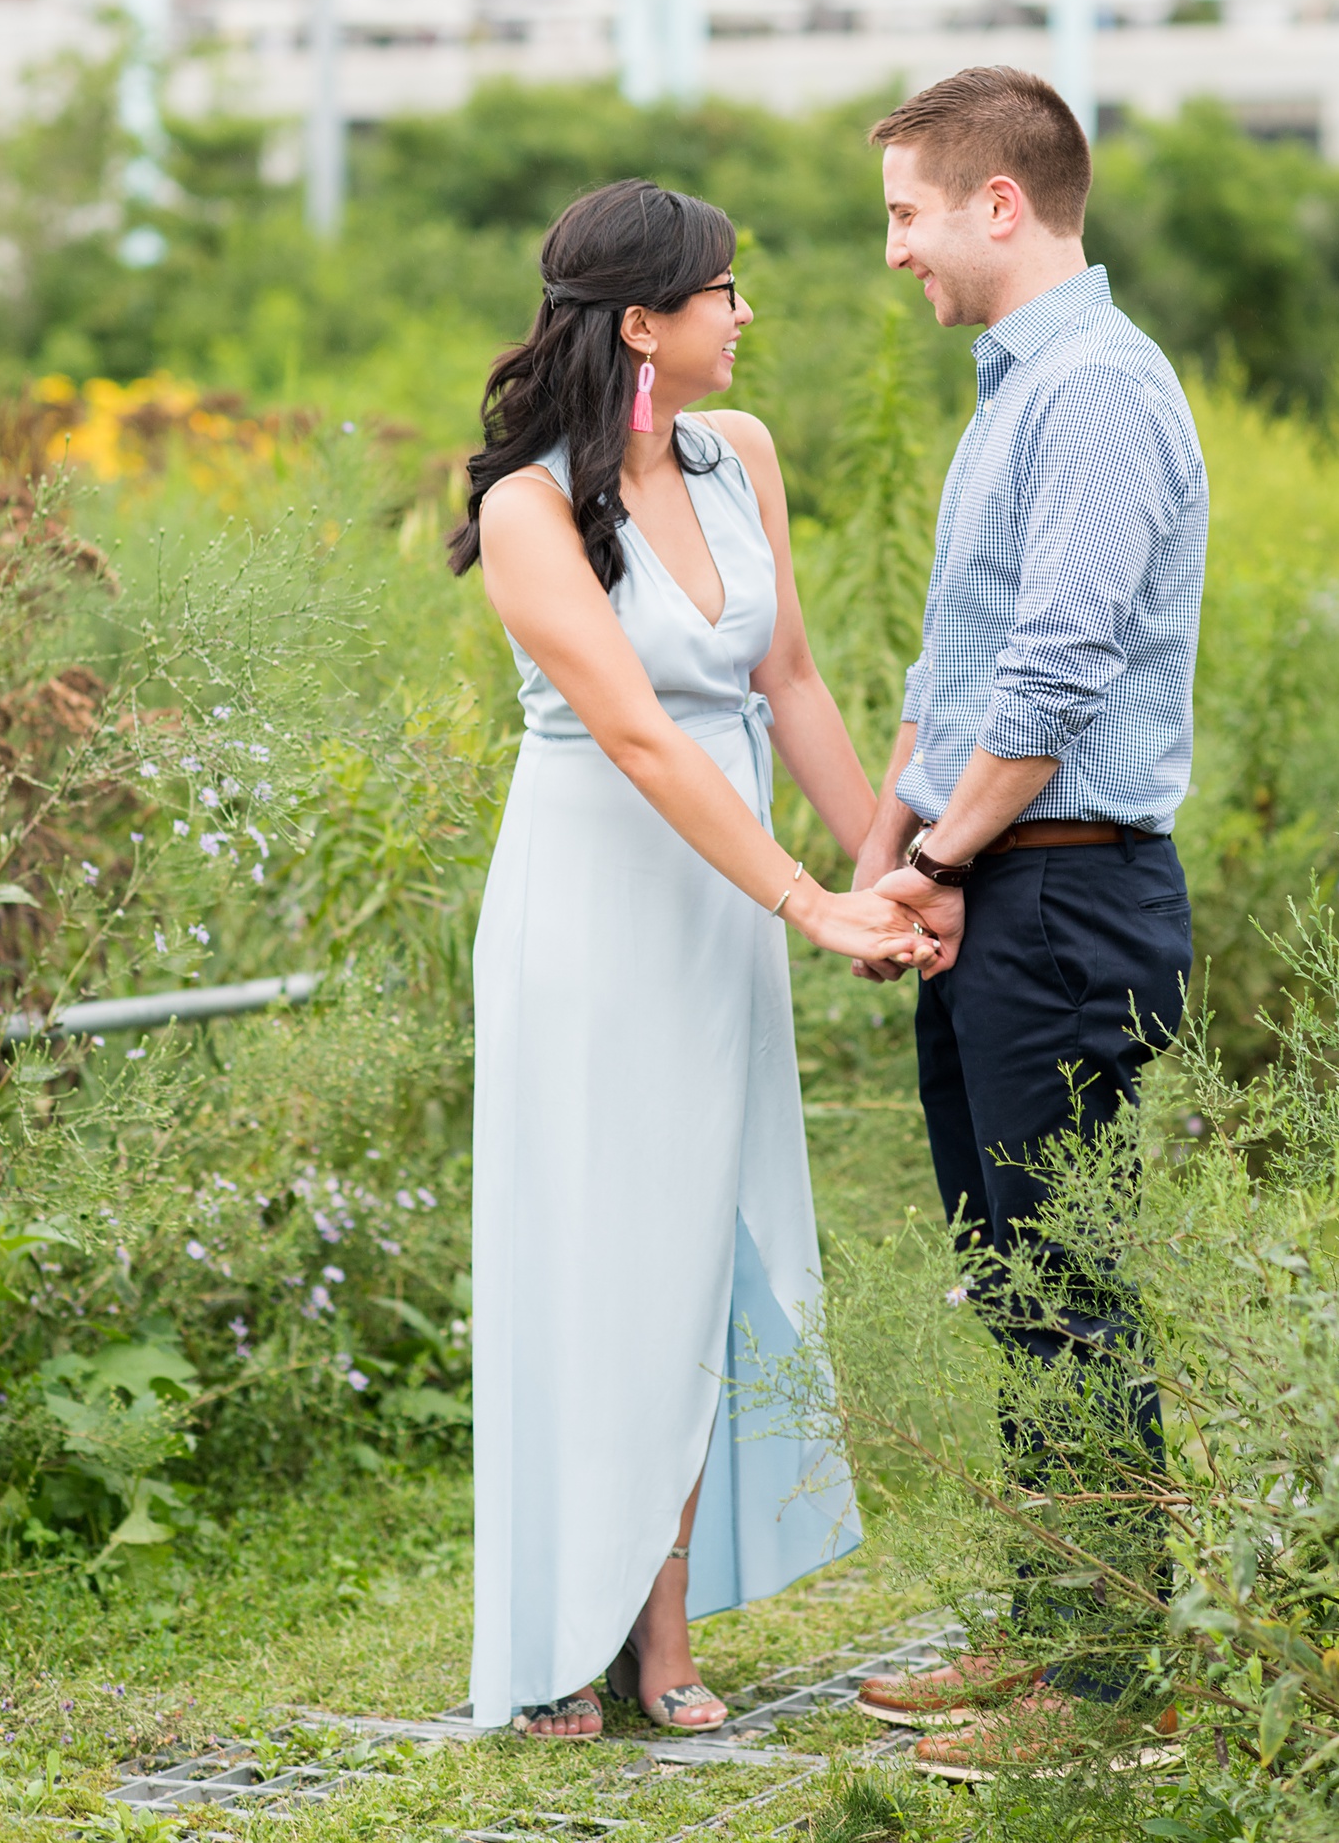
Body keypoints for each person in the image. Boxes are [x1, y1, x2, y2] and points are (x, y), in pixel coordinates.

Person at [449, 177, 940, 1742]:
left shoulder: (747, 459)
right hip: (596, 907)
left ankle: (658, 1635)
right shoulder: (531, 507)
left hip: (727, 908)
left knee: (696, 1252)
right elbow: (648, 740)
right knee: (592, 1253)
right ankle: (556, 1633)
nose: (746, 313)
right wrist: (809, 900)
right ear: (644, 323)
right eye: (722, 291)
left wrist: (896, 873)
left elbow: (787, 679)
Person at [845, 67, 1208, 1769]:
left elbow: (1057, 668)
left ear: (1003, 203)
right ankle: (1057, 1621)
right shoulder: (1020, 392)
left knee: (1073, 1282)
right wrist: (900, 851)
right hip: (1005, 876)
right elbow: (958, 664)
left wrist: (941, 858)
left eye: (910, 211)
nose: (895, 248)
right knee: (1016, 1279)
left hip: (1065, 884)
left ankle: (1107, 1696)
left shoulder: (1099, 392)